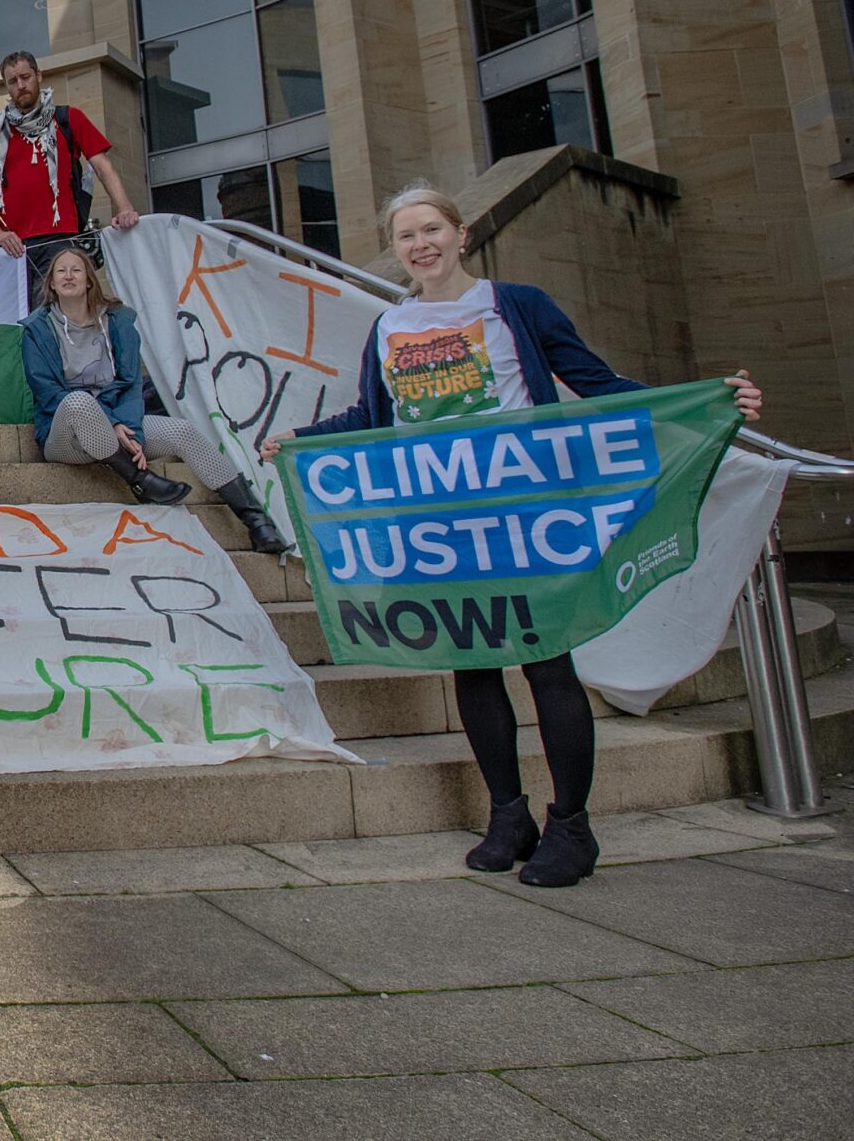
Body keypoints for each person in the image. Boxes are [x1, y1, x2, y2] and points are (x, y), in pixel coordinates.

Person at [261, 183, 765, 888]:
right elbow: (373, 418)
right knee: (472, 664)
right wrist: (300, 439)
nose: (421, 244)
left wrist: (708, 396)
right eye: (406, 236)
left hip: (525, 518)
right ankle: (509, 814)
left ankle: (572, 827)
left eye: (431, 228)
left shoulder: (517, 305)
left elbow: (593, 381)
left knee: (549, 667)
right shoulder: (390, 327)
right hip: (439, 521)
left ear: (461, 233)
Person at [23, 248, 293, 554]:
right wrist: (110, 424)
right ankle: (141, 480)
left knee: (182, 431)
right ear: (52, 284)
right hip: (65, 437)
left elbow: (130, 383)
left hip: (120, 426)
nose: (69, 275)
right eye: (61, 271)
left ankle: (257, 521)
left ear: (88, 281)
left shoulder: (118, 323)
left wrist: (127, 428)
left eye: (76, 270)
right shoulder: (37, 329)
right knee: (78, 402)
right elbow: (48, 393)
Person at [0, 49, 141, 290]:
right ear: (6, 87)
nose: (21, 85)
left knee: (58, 313)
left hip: (62, 240)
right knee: (22, 321)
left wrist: (124, 208)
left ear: (39, 76)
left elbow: (102, 166)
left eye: (25, 77)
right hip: (13, 247)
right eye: (13, 81)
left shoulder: (69, 118)